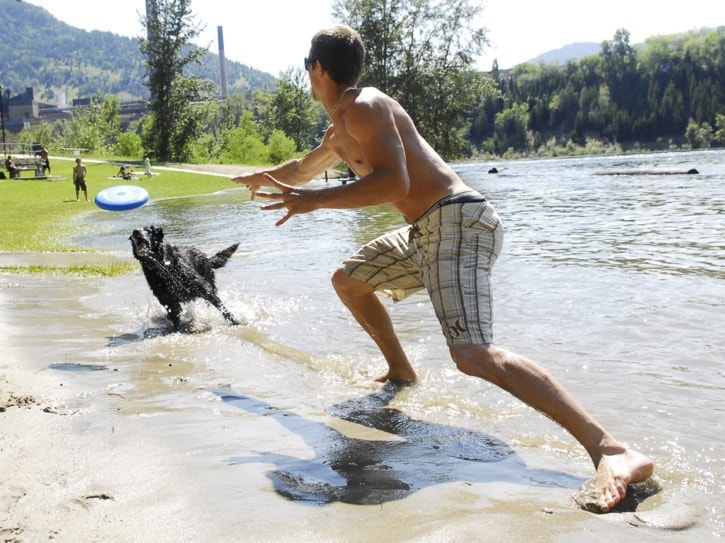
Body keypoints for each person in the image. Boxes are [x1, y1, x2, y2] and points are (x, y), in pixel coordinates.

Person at [231, 25, 653, 513]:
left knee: (472, 354)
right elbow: (302, 170)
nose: (307, 75)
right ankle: (401, 371)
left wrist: (315, 202)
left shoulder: (366, 106)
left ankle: (611, 449)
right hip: (428, 232)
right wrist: (261, 178)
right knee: (350, 281)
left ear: (318, 69)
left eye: (307, 67)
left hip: (458, 221)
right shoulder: (339, 129)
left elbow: (394, 181)